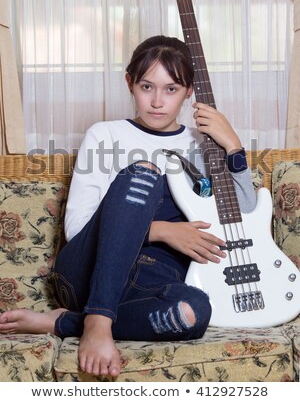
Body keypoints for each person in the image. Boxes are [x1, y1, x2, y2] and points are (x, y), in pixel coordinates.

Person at [0, 35, 256, 378]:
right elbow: (77, 227)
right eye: (146, 86)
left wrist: (234, 148)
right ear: (129, 83)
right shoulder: (104, 135)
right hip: (88, 273)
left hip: (150, 284)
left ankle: (65, 322)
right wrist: (164, 231)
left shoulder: (204, 145)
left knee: (194, 311)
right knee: (144, 172)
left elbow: (243, 218)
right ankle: (97, 322)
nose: (156, 101)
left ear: (190, 91)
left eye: (171, 89)